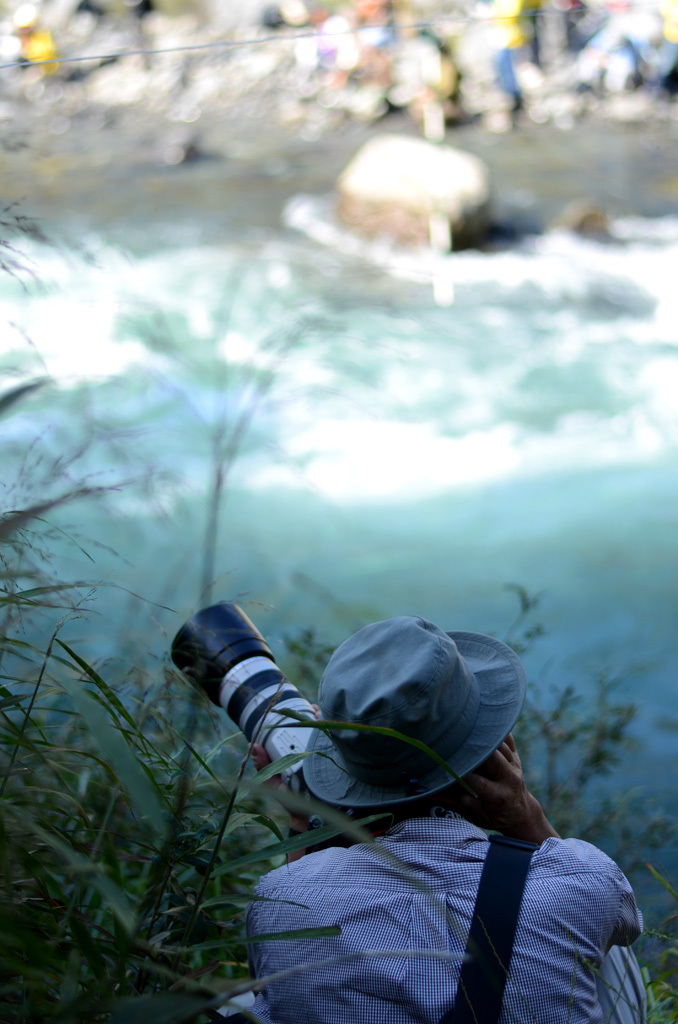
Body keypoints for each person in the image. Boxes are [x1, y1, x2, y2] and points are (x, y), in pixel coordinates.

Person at [245, 616, 646, 1024]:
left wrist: (303, 825)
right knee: (610, 952)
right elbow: (625, 929)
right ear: (494, 747)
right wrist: (526, 817)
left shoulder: (276, 899)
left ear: (349, 769)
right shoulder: (583, 883)